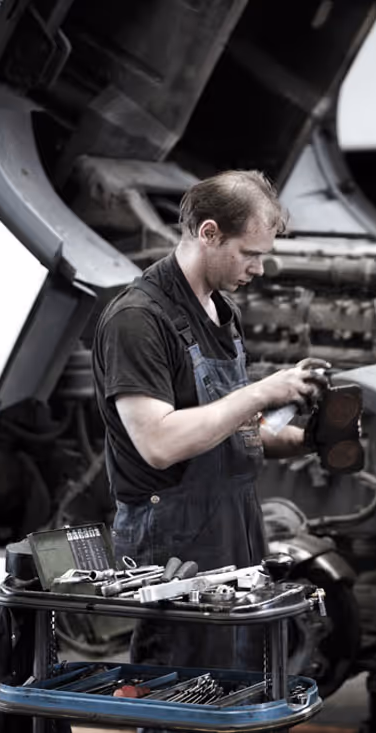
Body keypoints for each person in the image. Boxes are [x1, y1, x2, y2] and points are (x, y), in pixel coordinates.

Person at [92, 169, 328, 674]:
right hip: (176, 541)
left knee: (245, 684)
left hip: (235, 524)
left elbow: (233, 429)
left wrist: (308, 438)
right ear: (209, 233)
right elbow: (159, 441)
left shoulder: (221, 310)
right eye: (251, 253)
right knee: (185, 691)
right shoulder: (138, 319)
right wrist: (263, 390)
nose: (260, 269)